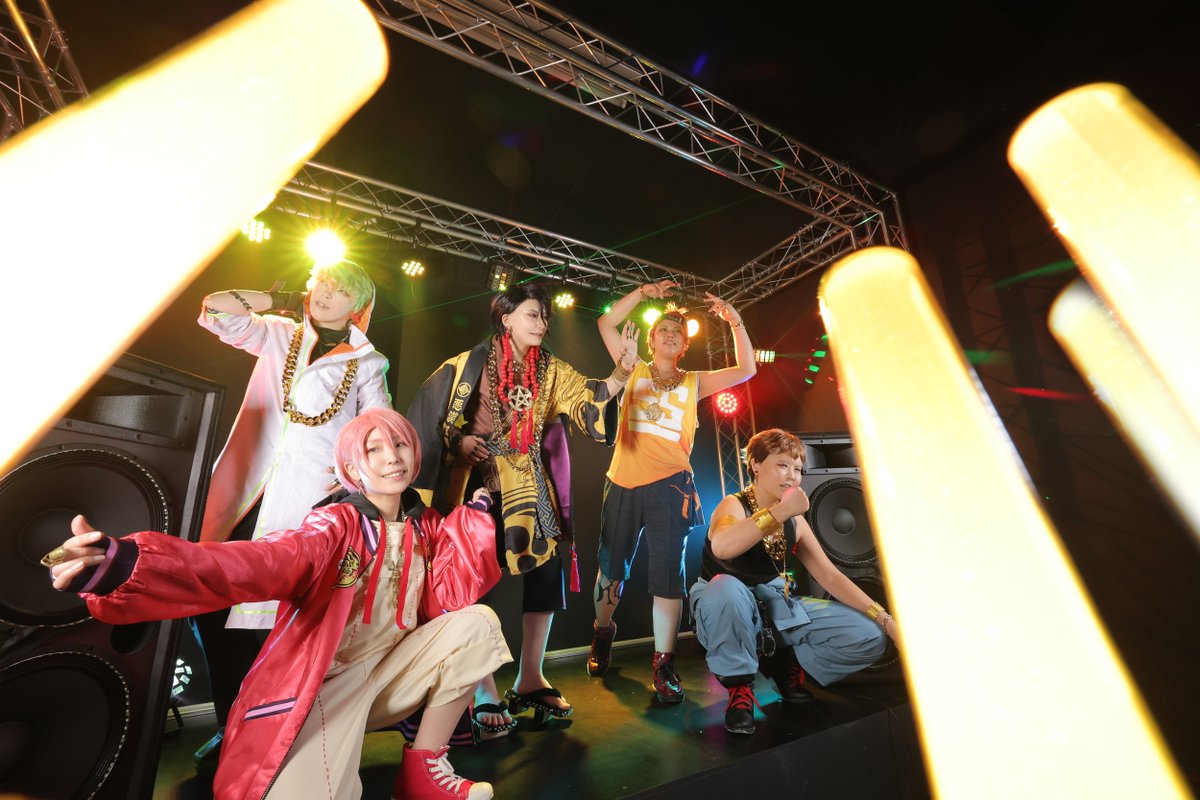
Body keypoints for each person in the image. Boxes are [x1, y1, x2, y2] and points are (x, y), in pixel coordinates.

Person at [42, 407, 509, 800]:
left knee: (478, 622)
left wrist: (477, 517)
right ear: (352, 468)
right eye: (374, 449)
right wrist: (127, 564)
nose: (392, 457)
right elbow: (251, 563)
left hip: (392, 676)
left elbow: (453, 591)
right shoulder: (333, 526)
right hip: (323, 689)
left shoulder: (426, 527)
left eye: (400, 444)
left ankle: (422, 771)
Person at [407, 283, 637, 736]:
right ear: (506, 318)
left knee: (547, 572)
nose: (542, 323)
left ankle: (531, 676)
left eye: (545, 316)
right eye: (533, 314)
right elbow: (432, 421)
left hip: (530, 482)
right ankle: (481, 686)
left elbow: (586, 399)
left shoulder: (550, 368)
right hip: (477, 479)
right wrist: (459, 441)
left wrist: (621, 373)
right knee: (473, 579)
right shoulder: (467, 365)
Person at [192, 260, 391, 764]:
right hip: (246, 495)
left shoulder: (369, 362)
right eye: (322, 283)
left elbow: (379, 430)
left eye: (339, 290)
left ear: (357, 305)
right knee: (213, 609)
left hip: (307, 504)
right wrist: (273, 299)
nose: (325, 293)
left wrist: (351, 478)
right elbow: (217, 309)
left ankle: (272, 733)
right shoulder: (278, 333)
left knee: (280, 623)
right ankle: (230, 723)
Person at [586, 281, 756, 704]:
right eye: (662, 329)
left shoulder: (695, 381)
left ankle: (663, 664)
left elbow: (747, 368)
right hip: (623, 481)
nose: (669, 334)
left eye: (677, 332)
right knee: (610, 573)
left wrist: (734, 320)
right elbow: (605, 322)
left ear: (684, 346)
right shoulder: (633, 367)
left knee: (668, 579)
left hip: (671, 485)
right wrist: (643, 293)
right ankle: (603, 632)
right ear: (651, 339)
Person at [690, 428, 896, 735]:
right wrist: (781, 510)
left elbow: (830, 576)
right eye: (782, 465)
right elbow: (722, 547)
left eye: (798, 469)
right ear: (756, 465)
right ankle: (740, 687)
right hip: (725, 610)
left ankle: (786, 663)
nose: (792, 476)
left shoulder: (795, 522)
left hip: (773, 607)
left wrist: (884, 619)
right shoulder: (733, 506)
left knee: (869, 636)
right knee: (725, 587)